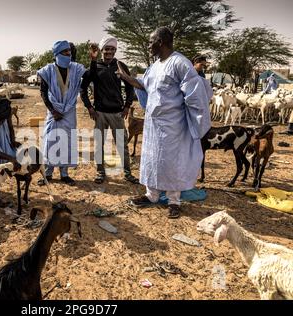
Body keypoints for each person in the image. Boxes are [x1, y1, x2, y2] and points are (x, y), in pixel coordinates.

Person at [117, 27, 213, 219]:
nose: (149, 45)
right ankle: (151, 195)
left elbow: (195, 96)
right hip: (153, 125)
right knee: (153, 160)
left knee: (172, 162)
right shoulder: (154, 66)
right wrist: (126, 78)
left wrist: (197, 122)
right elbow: (144, 85)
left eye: (151, 42)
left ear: (161, 42)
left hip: (174, 126)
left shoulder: (180, 63)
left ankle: (174, 201)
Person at [80, 37, 139, 185]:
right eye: (107, 49)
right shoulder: (95, 66)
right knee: (99, 143)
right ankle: (101, 172)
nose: (109, 52)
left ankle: (127, 173)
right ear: (101, 50)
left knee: (121, 144)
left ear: (115, 50)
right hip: (99, 113)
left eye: (112, 49)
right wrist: (89, 107)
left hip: (117, 113)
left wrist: (127, 106)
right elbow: (83, 88)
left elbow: (130, 86)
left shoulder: (120, 66)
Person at [37, 40, 86, 186]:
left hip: (69, 111)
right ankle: (48, 173)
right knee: (51, 141)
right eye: (65, 52)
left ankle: (64, 174)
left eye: (69, 52)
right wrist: (53, 111)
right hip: (54, 112)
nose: (68, 54)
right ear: (57, 54)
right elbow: (43, 93)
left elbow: (88, 77)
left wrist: (94, 59)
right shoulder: (47, 71)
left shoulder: (75, 69)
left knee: (67, 141)